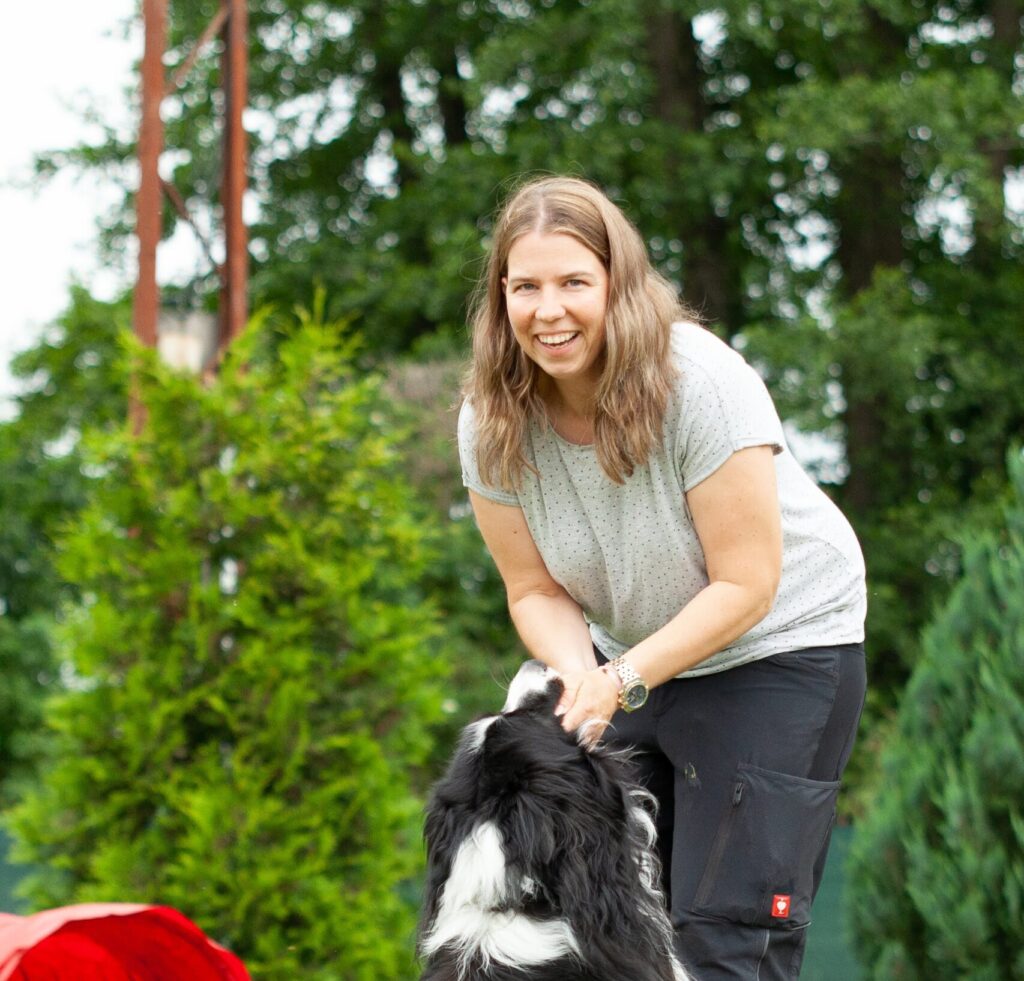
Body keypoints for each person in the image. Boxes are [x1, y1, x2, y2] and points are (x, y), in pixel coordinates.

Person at [457, 174, 867, 980]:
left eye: (575, 282)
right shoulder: (491, 418)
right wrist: (579, 674)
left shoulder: (701, 384)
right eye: (526, 286)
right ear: (500, 296)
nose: (549, 310)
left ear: (619, 282)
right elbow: (535, 588)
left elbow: (747, 583)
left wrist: (618, 680)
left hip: (776, 645)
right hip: (628, 654)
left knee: (728, 934)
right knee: (608, 923)